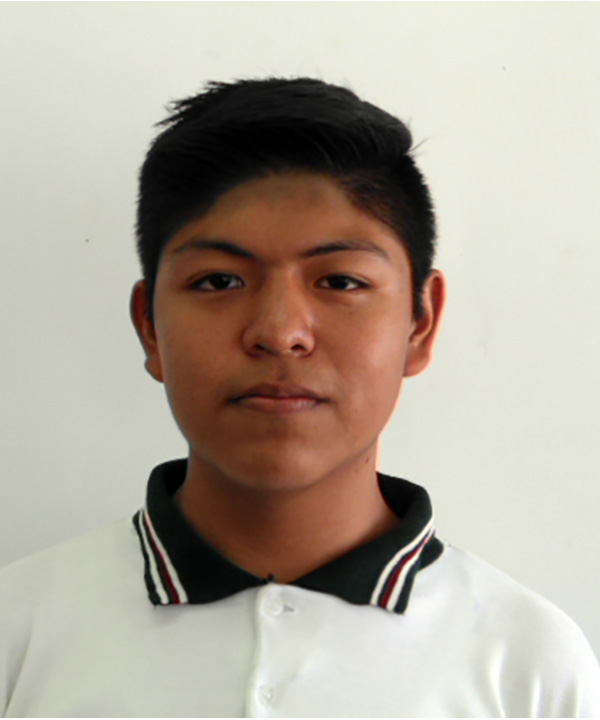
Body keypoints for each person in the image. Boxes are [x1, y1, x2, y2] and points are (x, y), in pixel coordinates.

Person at [1, 77, 599, 718]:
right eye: (219, 280)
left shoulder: (528, 665)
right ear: (150, 326)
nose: (280, 332)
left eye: (340, 281)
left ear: (420, 323)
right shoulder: (20, 629)